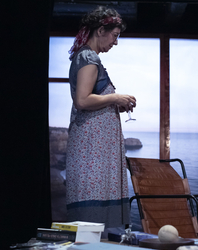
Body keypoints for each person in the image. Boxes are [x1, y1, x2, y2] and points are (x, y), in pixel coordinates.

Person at [65, 6, 136, 237]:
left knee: (101, 200)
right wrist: (115, 97)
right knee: (91, 203)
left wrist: (115, 103)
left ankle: (101, 243)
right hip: (91, 148)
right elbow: (83, 100)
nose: (115, 42)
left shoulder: (89, 57)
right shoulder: (87, 56)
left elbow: (92, 98)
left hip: (96, 148)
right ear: (101, 30)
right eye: (115, 35)